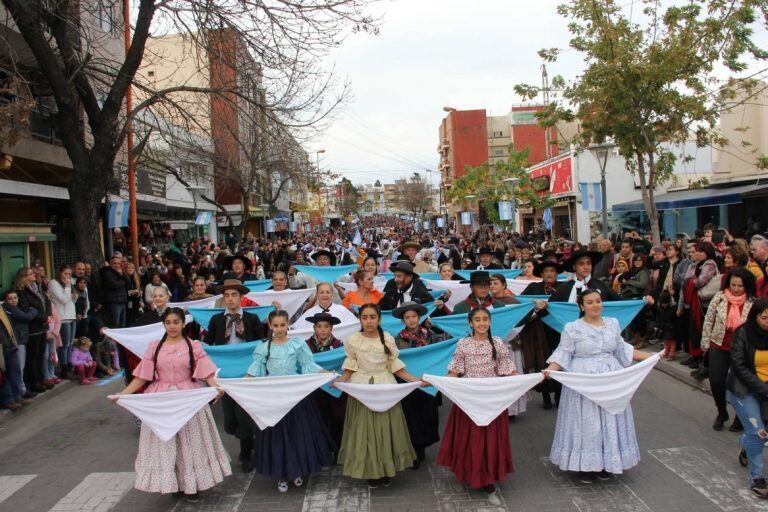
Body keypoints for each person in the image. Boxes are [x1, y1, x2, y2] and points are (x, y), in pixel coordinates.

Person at [111, 308, 230, 503]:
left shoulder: (194, 346)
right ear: (164, 324)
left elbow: (207, 371)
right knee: (165, 442)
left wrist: (215, 388)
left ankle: (192, 486)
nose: (172, 326)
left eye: (176, 322)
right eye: (168, 322)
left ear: (183, 323)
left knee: (190, 443)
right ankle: (174, 482)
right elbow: (142, 376)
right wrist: (123, 394)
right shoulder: (154, 347)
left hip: (188, 399)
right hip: (161, 400)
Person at [543, 288, 659, 483]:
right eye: (590, 302)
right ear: (581, 306)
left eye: (598, 301)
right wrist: (549, 370)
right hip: (583, 382)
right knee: (587, 422)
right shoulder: (573, 328)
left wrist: (652, 356)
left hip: (611, 381)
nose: (595, 305)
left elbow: (623, 350)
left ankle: (605, 462)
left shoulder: (613, 324)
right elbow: (563, 353)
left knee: (609, 419)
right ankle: (585, 466)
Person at [335, 303, 424, 488]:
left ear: (379, 319)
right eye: (365, 317)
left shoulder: (387, 339)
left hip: (385, 390)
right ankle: (370, 471)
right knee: (365, 431)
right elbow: (350, 366)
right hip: (361, 390)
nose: (368, 321)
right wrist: (338, 382)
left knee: (385, 429)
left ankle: (385, 470)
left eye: (372, 317)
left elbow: (395, 367)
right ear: (360, 319)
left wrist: (416, 380)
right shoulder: (353, 340)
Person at [247, 310, 336, 493]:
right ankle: (281, 474)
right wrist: (236, 385)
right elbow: (255, 371)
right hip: (274, 398)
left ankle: (298, 471)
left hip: (296, 396)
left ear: (288, 325)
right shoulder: (264, 347)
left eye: (283, 325)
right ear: (270, 326)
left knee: (298, 433)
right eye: (276, 325)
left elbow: (308, 365)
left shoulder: (297, 344)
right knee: (277, 436)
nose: (279, 329)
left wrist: (328, 375)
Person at [435, 307, 517, 494]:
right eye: (477, 320)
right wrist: (434, 381)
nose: (482, 323)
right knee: (471, 436)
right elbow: (455, 371)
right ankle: (468, 470)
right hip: (469, 396)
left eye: (485, 319)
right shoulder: (463, 344)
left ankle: (487, 475)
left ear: (490, 322)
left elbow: (507, 368)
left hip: (492, 396)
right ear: (470, 323)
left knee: (489, 437)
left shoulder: (496, 342)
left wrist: (530, 379)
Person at [203, 279, 265, 471]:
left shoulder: (252, 319)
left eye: (234, 295)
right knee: (230, 420)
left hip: (246, 373)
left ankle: (246, 453)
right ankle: (250, 439)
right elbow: (209, 344)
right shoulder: (216, 320)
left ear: (241, 297)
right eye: (227, 296)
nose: (230, 299)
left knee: (244, 413)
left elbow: (259, 345)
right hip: (226, 373)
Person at [701, 268, 756, 431]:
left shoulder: (753, 302)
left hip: (742, 348)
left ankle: (740, 417)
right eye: (733, 285)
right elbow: (709, 320)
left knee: (740, 385)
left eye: (740, 286)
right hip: (719, 344)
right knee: (716, 381)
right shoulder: (719, 297)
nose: (736, 289)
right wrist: (705, 341)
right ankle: (722, 411)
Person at [392, 301, 442, 469]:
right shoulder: (397, 339)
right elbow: (394, 362)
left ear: (419, 318)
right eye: (407, 317)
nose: (411, 320)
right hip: (407, 384)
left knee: (427, 416)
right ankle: (414, 451)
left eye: (414, 316)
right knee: (410, 418)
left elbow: (438, 355)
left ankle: (422, 447)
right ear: (403, 320)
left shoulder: (431, 335)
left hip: (427, 382)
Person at [727, 298, 768, 499]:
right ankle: (757, 478)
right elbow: (739, 365)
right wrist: (763, 388)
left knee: (759, 434)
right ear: (755, 316)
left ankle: (746, 444)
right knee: (759, 432)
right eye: (764, 317)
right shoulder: (742, 333)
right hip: (744, 389)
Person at [520, 259, 564, 409]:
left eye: (552, 271)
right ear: (541, 274)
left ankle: (559, 394)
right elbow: (521, 302)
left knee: (560, 362)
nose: (549, 273)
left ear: (557, 273)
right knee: (543, 363)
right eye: (546, 271)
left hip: (559, 330)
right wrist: (533, 302)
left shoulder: (564, 288)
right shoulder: (533, 287)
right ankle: (545, 395)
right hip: (539, 330)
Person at [303, 312, 345, 446]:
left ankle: (337, 450)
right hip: (314, 389)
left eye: (326, 326)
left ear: (331, 328)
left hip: (334, 386)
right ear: (314, 328)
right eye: (319, 326)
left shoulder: (340, 346)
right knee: (316, 420)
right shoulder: (305, 346)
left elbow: (343, 364)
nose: (322, 329)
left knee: (337, 419)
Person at [678, 242, 719, 370]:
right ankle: (694, 355)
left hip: (704, 304)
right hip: (691, 302)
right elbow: (684, 282)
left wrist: (689, 283)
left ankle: (701, 358)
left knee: (701, 330)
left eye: (701, 251)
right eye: (698, 251)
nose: (698, 253)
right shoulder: (694, 265)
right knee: (693, 331)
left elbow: (701, 281)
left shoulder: (710, 264)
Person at [15, 266, 52, 393]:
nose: (33, 276)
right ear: (23, 277)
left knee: (41, 354)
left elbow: (46, 302)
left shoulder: (37, 287)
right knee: (33, 356)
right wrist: (44, 317)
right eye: (30, 274)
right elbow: (27, 310)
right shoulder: (21, 292)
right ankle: (34, 381)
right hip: (33, 328)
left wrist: (48, 315)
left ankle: (41, 379)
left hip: (42, 325)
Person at [47, 265, 76, 379]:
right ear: (60, 273)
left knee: (70, 343)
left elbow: (70, 300)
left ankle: (69, 366)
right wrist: (68, 286)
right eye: (65, 274)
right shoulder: (54, 283)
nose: (68, 276)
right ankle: (64, 368)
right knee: (64, 344)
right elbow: (63, 299)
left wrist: (74, 295)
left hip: (71, 315)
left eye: (69, 274)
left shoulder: (67, 285)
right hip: (62, 317)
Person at [0, 304, 28, 411]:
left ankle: (16, 396)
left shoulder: (2, 307)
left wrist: (13, 340)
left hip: (10, 343)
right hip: (2, 345)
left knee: (15, 370)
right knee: (3, 374)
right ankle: (8, 399)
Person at [100, 255, 130, 328]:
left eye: (119, 264)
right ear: (110, 264)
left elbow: (129, 282)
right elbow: (115, 285)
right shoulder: (106, 272)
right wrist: (122, 278)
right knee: (115, 325)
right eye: (115, 263)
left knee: (122, 326)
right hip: (113, 302)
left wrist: (122, 274)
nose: (117, 265)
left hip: (122, 301)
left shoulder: (120, 272)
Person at [656, 290, 678, 360]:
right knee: (665, 341)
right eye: (662, 303)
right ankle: (666, 351)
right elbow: (658, 316)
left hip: (672, 327)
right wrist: (658, 325)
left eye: (665, 303)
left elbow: (676, 319)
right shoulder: (660, 307)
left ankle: (672, 354)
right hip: (663, 326)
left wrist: (674, 326)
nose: (663, 305)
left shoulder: (674, 307)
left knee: (672, 342)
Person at [124, 261, 143, 326]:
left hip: (136, 302)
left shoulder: (135, 279)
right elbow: (124, 291)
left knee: (135, 317)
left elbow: (139, 289)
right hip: (127, 301)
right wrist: (133, 292)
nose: (130, 269)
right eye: (128, 268)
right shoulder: (124, 278)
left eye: (132, 268)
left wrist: (140, 293)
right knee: (128, 317)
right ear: (125, 269)